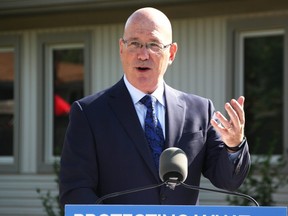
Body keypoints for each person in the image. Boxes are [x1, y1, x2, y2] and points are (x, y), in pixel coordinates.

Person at [59, 7, 250, 206]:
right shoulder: (89, 113)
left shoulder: (200, 111)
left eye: (154, 45)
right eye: (134, 44)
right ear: (121, 49)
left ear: (172, 53)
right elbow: (75, 191)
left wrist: (234, 146)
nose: (143, 55)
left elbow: (228, 181)